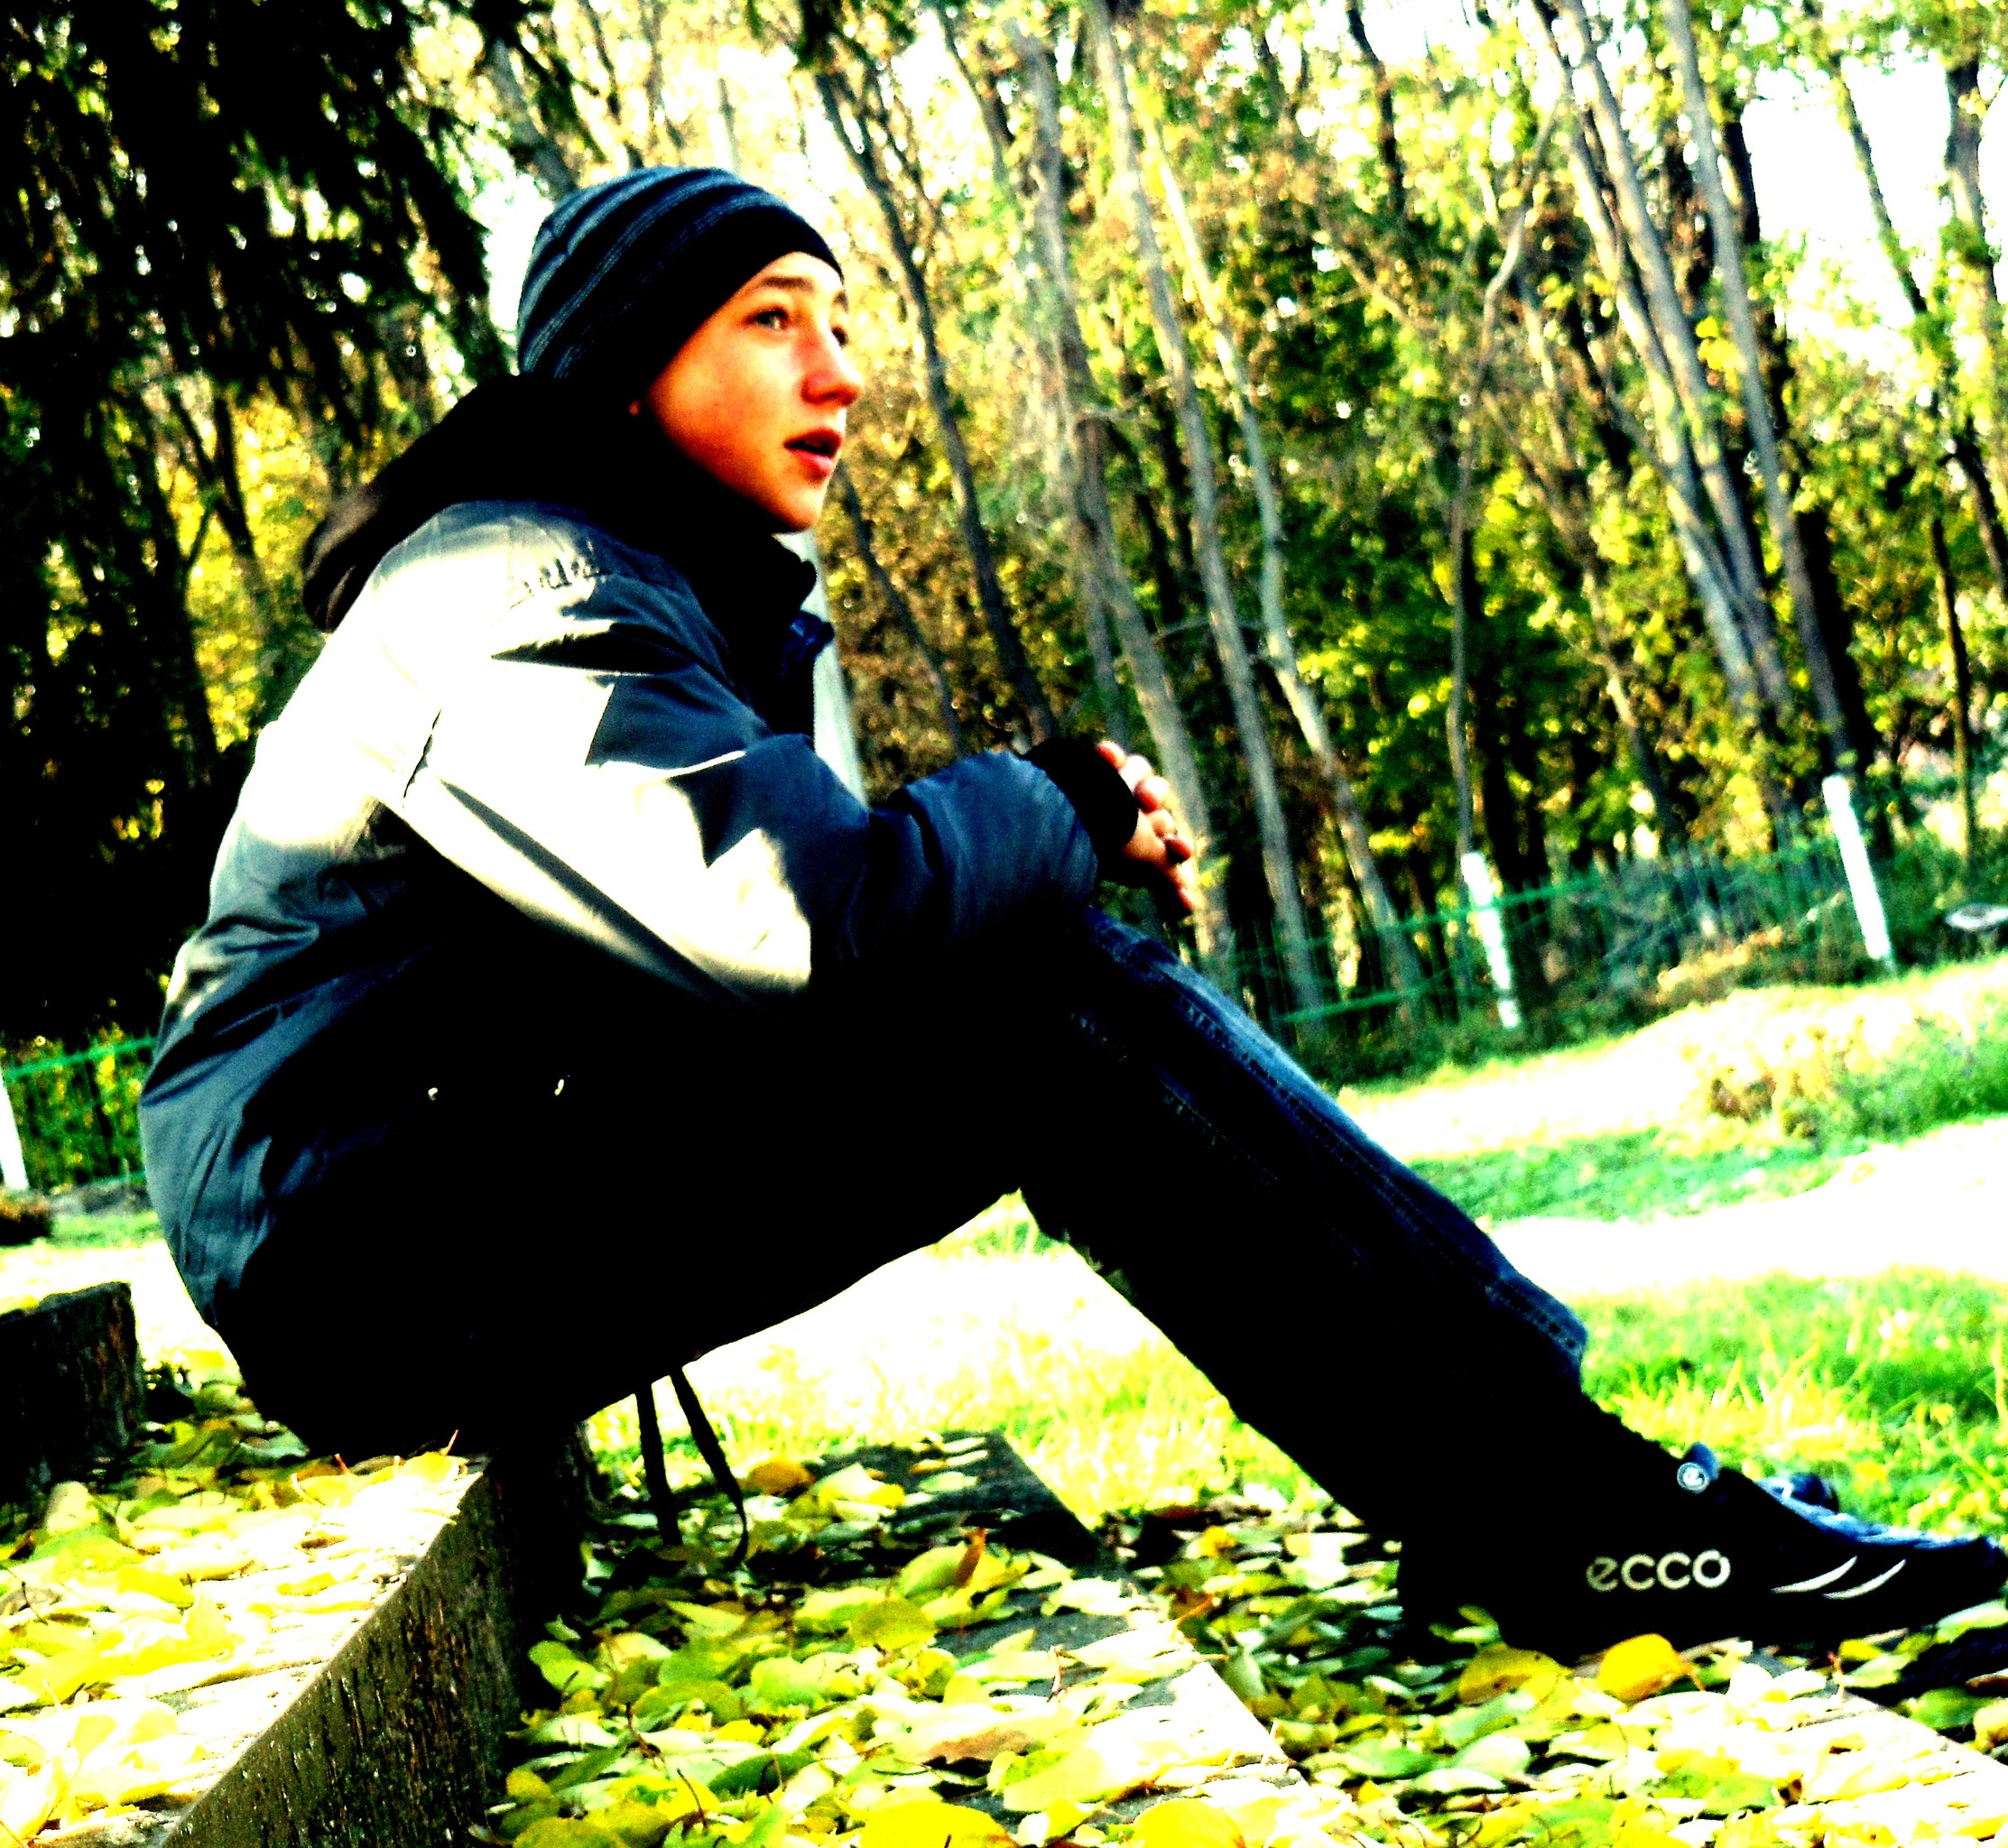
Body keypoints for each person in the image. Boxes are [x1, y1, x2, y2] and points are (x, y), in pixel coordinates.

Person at [141, 167, 2003, 1664]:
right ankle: (1583, 1519)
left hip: (438, 1196)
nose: (838, 376)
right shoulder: (519, 595)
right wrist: (1068, 802)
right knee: (1027, 1004)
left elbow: (770, 930)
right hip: (374, 1259)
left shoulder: (601, 574)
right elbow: (810, 917)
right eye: (772, 321)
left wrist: (1048, 819)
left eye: (841, 324)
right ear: (626, 365)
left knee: (1021, 978)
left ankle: (1560, 1496)